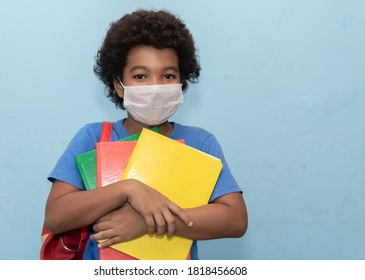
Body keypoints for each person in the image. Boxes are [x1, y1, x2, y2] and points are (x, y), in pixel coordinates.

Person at [45, 9, 247, 260]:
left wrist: (146, 222)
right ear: (119, 85)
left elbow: (235, 219)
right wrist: (128, 189)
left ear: (181, 82)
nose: (155, 86)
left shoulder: (201, 142)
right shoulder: (93, 137)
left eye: (168, 75)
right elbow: (56, 217)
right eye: (140, 76)